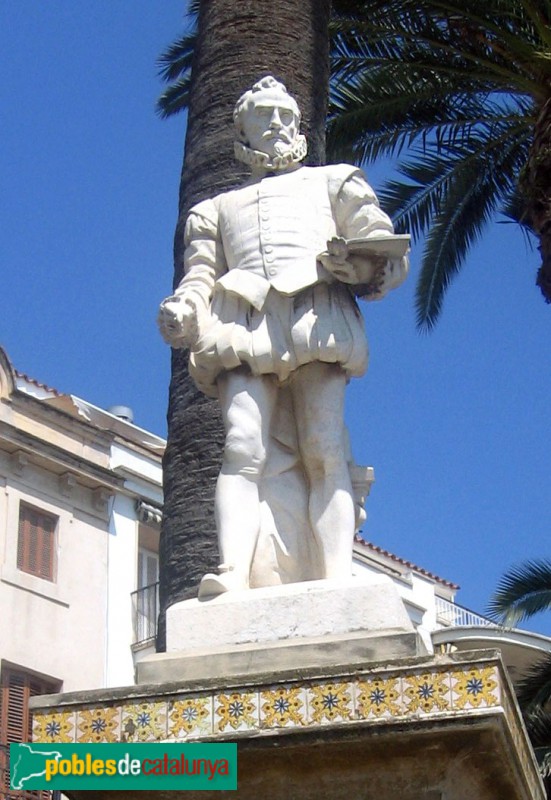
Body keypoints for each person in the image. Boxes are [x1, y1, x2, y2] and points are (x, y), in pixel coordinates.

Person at [158, 76, 408, 597]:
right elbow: (200, 275)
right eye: (265, 115)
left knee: (324, 448)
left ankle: (337, 575)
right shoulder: (213, 210)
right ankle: (232, 571)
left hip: (315, 312)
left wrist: (356, 263)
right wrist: (183, 308)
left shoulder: (336, 181)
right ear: (242, 126)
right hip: (243, 319)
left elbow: (384, 252)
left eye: (286, 116)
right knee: (241, 447)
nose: (277, 124)